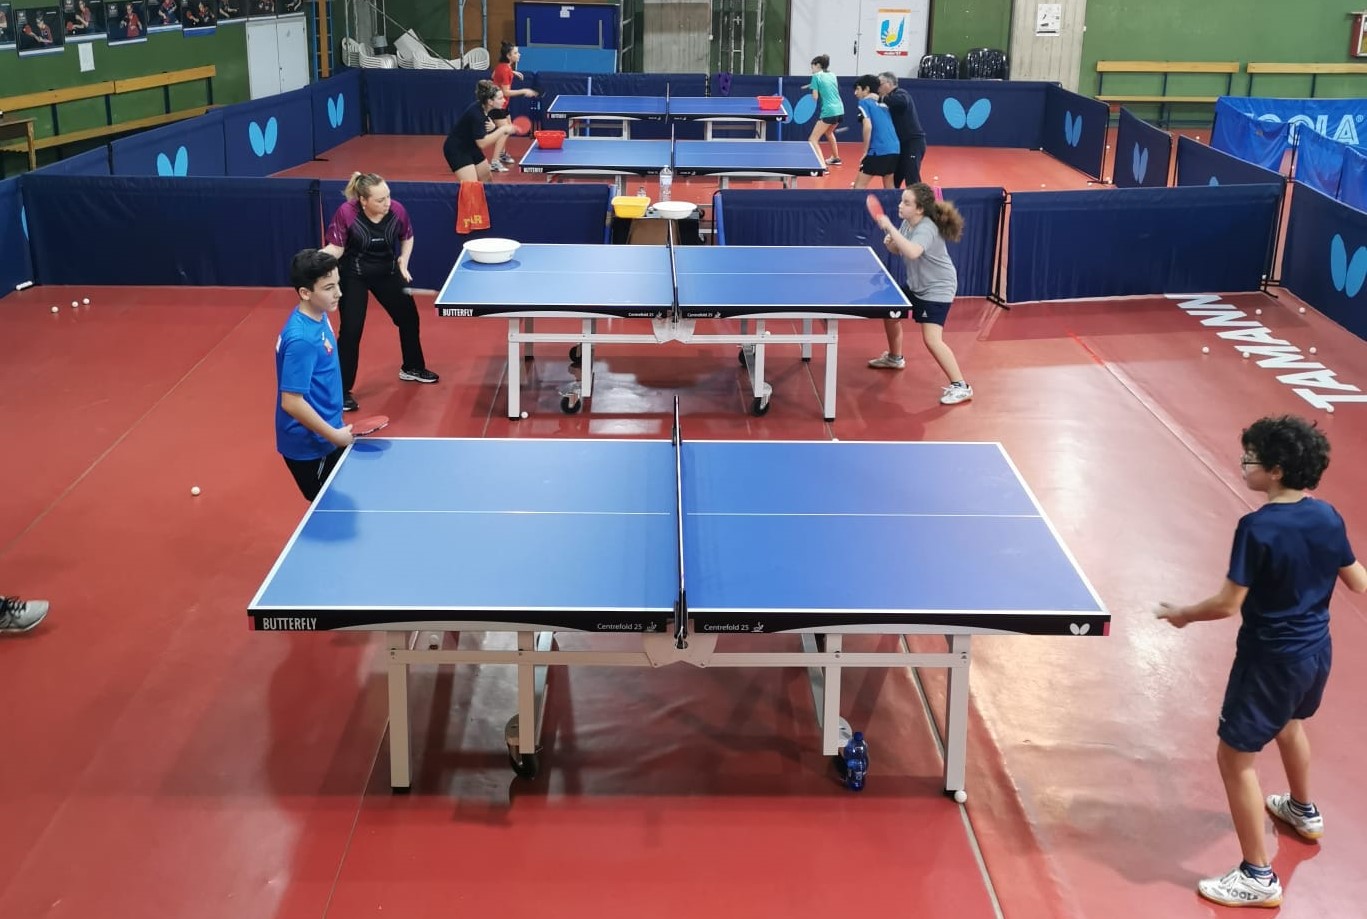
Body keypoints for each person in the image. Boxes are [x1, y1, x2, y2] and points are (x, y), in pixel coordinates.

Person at [1156, 416, 1367, 908]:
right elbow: (1358, 581)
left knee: (1234, 757)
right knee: (1290, 724)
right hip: (1315, 651)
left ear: (1275, 470)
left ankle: (1257, 876)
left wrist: (1183, 614)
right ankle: (1302, 810)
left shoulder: (1257, 527)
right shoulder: (1327, 515)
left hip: (1268, 659)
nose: (1242, 464)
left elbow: (1227, 604)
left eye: (1249, 458)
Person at [321, 172, 438, 414]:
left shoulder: (397, 210)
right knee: (351, 330)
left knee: (409, 318)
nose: (387, 203)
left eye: (388, 196)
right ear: (363, 200)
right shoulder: (347, 213)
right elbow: (337, 249)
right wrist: (315, 258)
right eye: (380, 199)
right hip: (354, 274)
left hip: (387, 271)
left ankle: (412, 367)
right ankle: (341, 391)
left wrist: (403, 261)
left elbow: (407, 236)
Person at [868, 183, 972, 405]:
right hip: (917, 285)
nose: (900, 205)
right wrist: (891, 242)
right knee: (891, 313)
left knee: (932, 339)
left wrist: (890, 228)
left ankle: (961, 386)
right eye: (901, 201)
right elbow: (899, 249)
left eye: (906, 203)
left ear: (920, 209)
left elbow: (913, 252)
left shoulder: (926, 227)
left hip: (937, 289)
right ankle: (895, 358)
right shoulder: (908, 221)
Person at [276, 249, 355, 501]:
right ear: (305, 293)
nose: (339, 293)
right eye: (329, 288)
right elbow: (291, 402)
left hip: (329, 429)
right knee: (329, 508)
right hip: (310, 445)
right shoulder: (302, 340)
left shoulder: (319, 315)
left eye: (338, 284)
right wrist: (334, 435)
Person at [443, 80, 517, 182]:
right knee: (471, 186)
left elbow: (483, 131)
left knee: (487, 180)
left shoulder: (487, 108)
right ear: (490, 101)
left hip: (471, 146)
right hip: (457, 149)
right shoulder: (476, 114)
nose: (504, 100)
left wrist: (495, 128)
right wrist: (502, 129)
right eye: (500, 98)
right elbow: (482, 143)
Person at [487, 41, 538, 171]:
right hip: (498, 105)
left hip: (503, 104)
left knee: (508, 129)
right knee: (504, 131)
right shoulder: (505, 70)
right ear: (509, 56)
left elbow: (493, 75)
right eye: (516, 53)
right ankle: (494, 162)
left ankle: (502, 153)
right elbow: (506, 92)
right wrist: (524, 91)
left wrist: (512, 72)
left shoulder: (503, 67)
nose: (519, 54)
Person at [878, 72, 926, 188]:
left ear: (889, 84)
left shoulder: (901, 93)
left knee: (912, 179)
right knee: (894, 179)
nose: (878, 88)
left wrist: (881, 98)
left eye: (880, 84)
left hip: (913, 143)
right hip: (900, 145)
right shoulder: (888, 100)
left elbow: (902, 102)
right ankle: (894, 198)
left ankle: (920, 199)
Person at [852, 74, 898, 190]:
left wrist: (865, 151)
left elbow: (868, 127)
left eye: (858, 89)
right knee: (889, 187)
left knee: (858, 188)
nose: (855, 93)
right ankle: (895, 203)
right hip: (894, 149)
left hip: (878, 150)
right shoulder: (885, 103)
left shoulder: (864, 103)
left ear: (866, 89)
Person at [807, 54, 844, 166]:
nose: (812, 70)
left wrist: (813, 90)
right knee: (829, 132)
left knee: (813, 139)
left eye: (812, 67)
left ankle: (822, 166)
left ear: (818, 65)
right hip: (840, 110)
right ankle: (836, 158)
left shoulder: (816, 77)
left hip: (829, 111)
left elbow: (815, 97)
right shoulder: (832, 75)